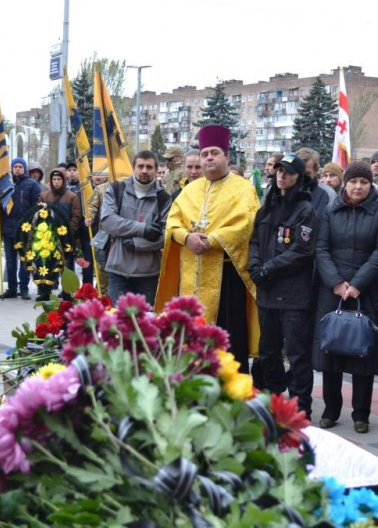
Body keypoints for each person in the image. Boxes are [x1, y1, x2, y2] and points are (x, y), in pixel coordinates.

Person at [155, 125, 260, 371]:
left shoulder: (244, 189)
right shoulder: (190, 190)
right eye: (205, 154)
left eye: (215, 153)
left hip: (227, 277)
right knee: (191, 336)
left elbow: (245, 224)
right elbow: (172, 223)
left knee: (229, 338)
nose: (209, 158)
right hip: (191, 276)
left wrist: (211, 240)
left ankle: (231, 386)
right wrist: (186, 237)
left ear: (227, 157)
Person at [315, 161, 378, 433]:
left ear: (370, 184)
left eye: (363, 182)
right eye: (353, 181)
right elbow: (322, 248)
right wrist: (336, 282)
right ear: (345, 184)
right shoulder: (331, 211)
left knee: (363, 353)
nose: (358, 187)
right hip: (333, 292)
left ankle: (361, 414)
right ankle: (331, 409)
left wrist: (359, 283)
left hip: (366, 292)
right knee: (331, 351)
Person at [249, 154, 318, 416]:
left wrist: (269, 268)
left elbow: (302, 251)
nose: (282, 175)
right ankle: (274, 402)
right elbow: (255, 241)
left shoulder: (305, 210)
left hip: (293, 295)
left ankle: (300, 407)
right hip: (267, 292)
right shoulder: (267, 206)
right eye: (279, 170)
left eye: (287, 172)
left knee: (298, 353)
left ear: (298, 177)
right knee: (268, 351)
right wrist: (255, 265)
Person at [102, 151, 170, 305]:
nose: (144, 170)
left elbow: (166, 235)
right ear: (133, 168)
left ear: (156, 170)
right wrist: (143, 228)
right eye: (141, 166)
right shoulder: (116, 190)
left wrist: (138, 244)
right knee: (119, 317)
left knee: (145, 318)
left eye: (149, 167)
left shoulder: (164, 198)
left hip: (148, 273)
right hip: (118, 269)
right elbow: (108, 222)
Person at [38, 169, 83, 301]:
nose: (56, 182)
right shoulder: (44, 196)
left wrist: (69, 231)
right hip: (48, 236)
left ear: (64, 180)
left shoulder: (72, 196)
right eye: (54, 179)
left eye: (59, 179)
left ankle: (67, 292)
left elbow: (76, 216)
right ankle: (45, 292)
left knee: (67, 265)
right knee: (46, 265)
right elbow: (39, 214)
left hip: (66, 236)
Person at [1, 157, 41, 300]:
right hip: (8, 228)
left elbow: (36, 206)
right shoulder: (6, 184)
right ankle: (12, 288)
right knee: (10, 261)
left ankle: (24, 288)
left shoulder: (32, 184)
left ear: (24, 169)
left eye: (20, 167)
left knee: (25, 260)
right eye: (15, 167)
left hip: (25, 228)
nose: (17, 169)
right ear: (11, 169)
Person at [86, 173, 111, 295]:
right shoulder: (101, 189)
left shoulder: (128, 186)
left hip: (123, 236)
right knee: (101, 268)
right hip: (105, 234)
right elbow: (92, 206)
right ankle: (101, 296)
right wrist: (89, 217)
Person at [294, 148, 335, 219]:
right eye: (298, 173)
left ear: (316, 170)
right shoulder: (284, 191)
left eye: (306, 173)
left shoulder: (328, 194)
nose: (302, 177)